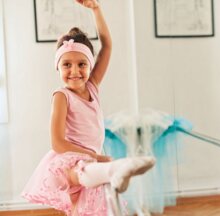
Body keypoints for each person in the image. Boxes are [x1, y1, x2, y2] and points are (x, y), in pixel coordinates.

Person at [21, 0, 155, 215]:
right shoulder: (61, 96)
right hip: (70, 157)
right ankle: (114, 168)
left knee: (85, 210)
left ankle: (111, 172)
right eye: (67, 64)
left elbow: (108, 45)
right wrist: (95, 157)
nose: (75, 71)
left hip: (93, 159)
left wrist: (96, 9)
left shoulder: (92, 87)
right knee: (79, 172)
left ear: (90, 65)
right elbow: (57, 142)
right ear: (58, 66)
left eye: (82, 64)